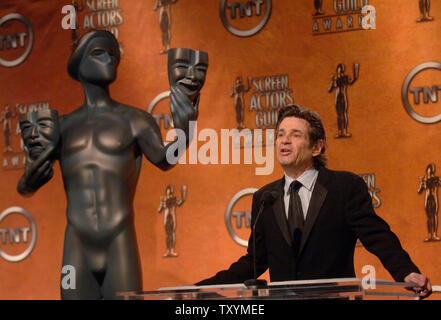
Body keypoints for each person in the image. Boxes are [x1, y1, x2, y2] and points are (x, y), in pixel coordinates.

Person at [17, 30, 206, 299]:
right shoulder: (62, 127)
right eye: (99, 53)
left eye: (113, 55)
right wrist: (27, 182)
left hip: (120, 242)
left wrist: (186, 131)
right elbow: (26, 185)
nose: (110, 59)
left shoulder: (135, 120)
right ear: (79, 65)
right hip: (76, 246)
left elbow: (165, 160)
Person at [196, 104, 432, 299]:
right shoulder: (265, 197)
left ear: (317, 147)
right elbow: (255, 260)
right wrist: (202, 287)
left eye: (295, 135)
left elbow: (378, 237)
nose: (284, 141)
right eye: (280, 134)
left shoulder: (345, 187)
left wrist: (406, 272)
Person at [158, 185, 187, 257]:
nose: (171, 191)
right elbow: (159, 210)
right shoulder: (163, 199)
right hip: (166, 218)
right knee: (168, 235)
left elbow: (180, 203)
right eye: (169, 189)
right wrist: (162, 204)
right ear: (167, 190)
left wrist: (183, 196)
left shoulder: (174, 199)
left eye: (171, 190)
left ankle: (172, 250)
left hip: (172, 217)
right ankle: (168, 250)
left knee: (172, 233)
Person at [418, 163, 441, 242]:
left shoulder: (436, 179)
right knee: (429, 217)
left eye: (431, 170)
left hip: (434, 198)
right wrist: (421, 183)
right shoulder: (424, 179)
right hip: (427, 199)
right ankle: (430, 235)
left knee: (434, 216)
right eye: (429, 169)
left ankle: (434, 234)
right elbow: (420, 191)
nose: (430, 171)